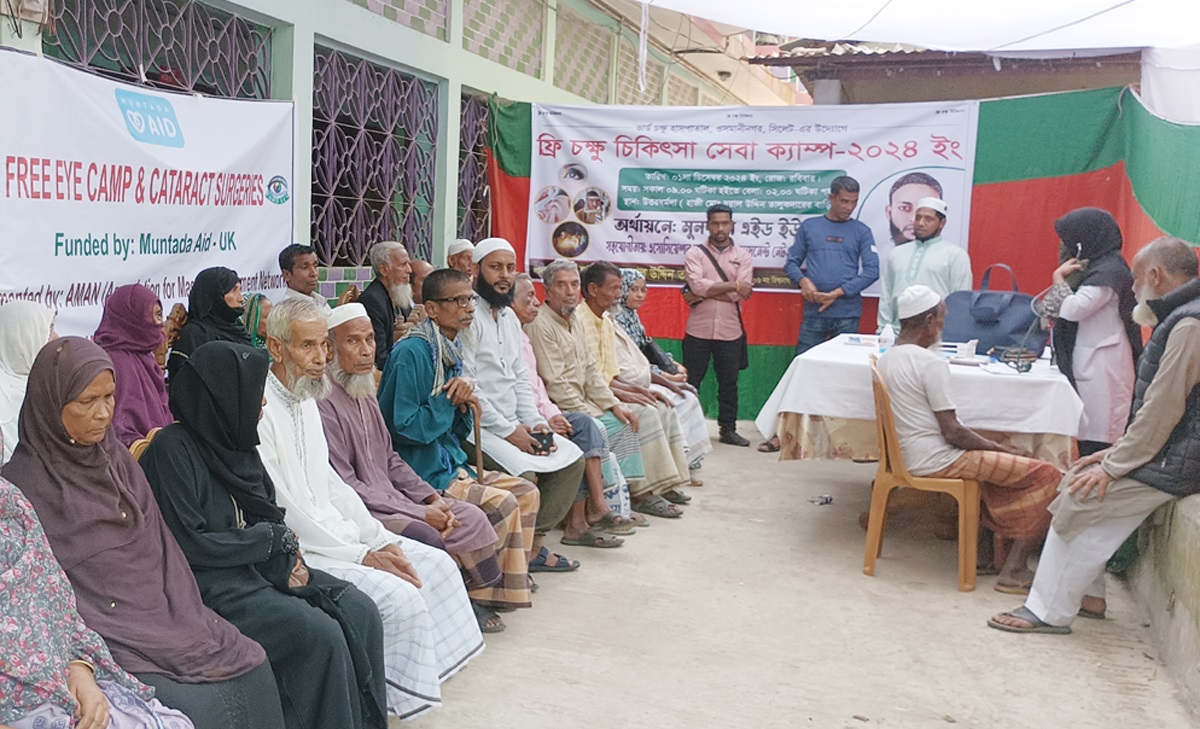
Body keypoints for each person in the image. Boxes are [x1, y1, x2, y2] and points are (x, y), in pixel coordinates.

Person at [2, 337, 284, 729]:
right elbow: (44, 593)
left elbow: (160, 548)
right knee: (200, 706)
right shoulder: (21, 489)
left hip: (164, 607)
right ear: (51, 404)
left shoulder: (116, 459)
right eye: (87, 402)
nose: (103, 414)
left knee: (252, 662)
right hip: (104, 626)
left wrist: (179, 612)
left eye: (110, 397)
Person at [141, 341, 388, 729]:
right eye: (254, 395)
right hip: (212, 586)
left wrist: (288, 558)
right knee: (317, 634)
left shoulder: (238, 443)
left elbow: (271, 514)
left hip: (257, 572)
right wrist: (269, 544)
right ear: (224, 396)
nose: (264, 405)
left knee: (361, 610)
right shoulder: (172, 450)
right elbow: (189, 542)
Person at [257, 297, 482, 719]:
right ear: (277, 348)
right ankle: (380, 705)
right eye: (309, 346)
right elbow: (286, 507)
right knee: (402, 596)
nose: (322, 358)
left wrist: (377, 536)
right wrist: (362, 553)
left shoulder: (306, 397)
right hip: (307, 545)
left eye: (324, 345)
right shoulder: (263, 409)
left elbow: (332, 485)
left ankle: (402, 696)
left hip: (340, 531)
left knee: (437, 566)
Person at [989, 237, 1200, 635]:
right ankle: (1085, 598)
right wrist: (1113, 456)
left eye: (1136, 281)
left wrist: (1114, 464)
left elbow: (1164, 408)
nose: (1134, 289)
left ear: (1156, 275)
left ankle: (1049, 611)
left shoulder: (1189, 323)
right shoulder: (1184, 316)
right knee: (1083, 488)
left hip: (1177, 461)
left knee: (1081, 494)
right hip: (1171, 454)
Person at [319, 303, 533, 633]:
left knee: (469, 516)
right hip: (362, 509)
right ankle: (458, 600)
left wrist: (430, 498)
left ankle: (468, 594)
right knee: (430, 531)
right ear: (330, 348)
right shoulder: (323, 402)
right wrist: (420, 513)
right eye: (353, 342)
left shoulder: (362, 389)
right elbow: (344, 483)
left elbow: (389, 458)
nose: (365, 351)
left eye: (370, 340)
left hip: (394, 496)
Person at [379, 269, 572, 571]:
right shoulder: (412, 352)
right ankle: (489, 586)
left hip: (450, 463)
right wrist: (448, 401)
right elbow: (403, 428)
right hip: (424, 472)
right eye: (457, 301)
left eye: (469, 299)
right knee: (505, 502)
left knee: (526, 492)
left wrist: (464, 405)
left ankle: (511, 574)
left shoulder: (450, 348)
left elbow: (456, 429)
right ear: (431, 309)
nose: (469, 307)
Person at [877, 286, 1062, 592]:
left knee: (1001, 456)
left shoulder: (889, 357)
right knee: (1048, 475)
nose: (943, 327)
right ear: (928, 320)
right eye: (941, 320)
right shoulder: (929, 364)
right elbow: (953, 432)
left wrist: (992, 446)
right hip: (939, 459)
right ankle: (1014, 569)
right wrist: (994, 447)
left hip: (913, 454)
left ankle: (986, 555)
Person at [0, 477, 194, 729]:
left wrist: (80, 669)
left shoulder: (13, 506)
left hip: (62, 687)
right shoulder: (35, 486)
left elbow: (57, 612)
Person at [527, 259, 687, 522]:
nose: (569, 291)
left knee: (623, 420)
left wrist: (613, 404)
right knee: (605, 427)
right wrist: (592, 410)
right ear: (547, 290)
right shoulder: (542, 324)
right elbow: (555, 382)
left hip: (585, 400)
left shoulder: (573, 318)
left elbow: (591, 371)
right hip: (561, 408)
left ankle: (622, 500)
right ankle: (601, 507)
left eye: (573, 284)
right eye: (561, 285)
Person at [464, 240, 595, 544]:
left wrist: (535, 422)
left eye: (510, 268)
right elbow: (471, 386)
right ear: (475, 270)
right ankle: (515, 552)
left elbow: (521, 378)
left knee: (572, 458)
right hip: (478, 428)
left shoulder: (510, 318)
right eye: (495, 267)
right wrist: (511, 432)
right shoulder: (467, 315)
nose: (504, 276)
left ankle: (533, 545)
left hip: (516, 424)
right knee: (521, 477)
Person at [513, 273, 641, 531]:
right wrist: (545, 419)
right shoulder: (535, 328)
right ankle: (584, 518)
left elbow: (540, 385)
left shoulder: (528, 334)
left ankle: (606, 507)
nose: (535, 304)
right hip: (521, 425)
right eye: (528, 299)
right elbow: (548, 383)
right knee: (583, 433)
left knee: (590, 425)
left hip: (547, 413)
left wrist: (612, 404)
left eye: (574, 284)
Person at [1037, 208, 1142, 456]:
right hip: (1090, 360)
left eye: (1069, 239)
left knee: (1099, 438)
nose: (1064, 246)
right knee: (1086, 434)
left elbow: (1073, 309)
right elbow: (1048, 310)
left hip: (1103, 366)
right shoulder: (1089, 268)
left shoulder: (1109, 272)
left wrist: (1058, 278)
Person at [614, 268, 712, 477]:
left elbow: (646, 350)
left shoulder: (632, 317)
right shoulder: (615, 319)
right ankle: (673, 463)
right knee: (672, 399)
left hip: (647, 373)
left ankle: (686, 459)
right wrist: (668, 378)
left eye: (643, 290)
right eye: (633, 289)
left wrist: (673, 365)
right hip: (631, 378)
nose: (640, 295)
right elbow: (628, 364)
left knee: (688, 394)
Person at [683, 203, 754, 446]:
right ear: (708, 225)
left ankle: (728, 430)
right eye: (715, 223)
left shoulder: (743, 256)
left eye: (725, 223)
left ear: (732, 225)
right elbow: (696, 286)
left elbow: (741, 294)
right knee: (691, 381)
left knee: (729, 382)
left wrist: (705, 290)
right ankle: (685, 430)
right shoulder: (695, 253)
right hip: (698, 329)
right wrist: (733, 285)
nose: (720, 228)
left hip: (730, 329)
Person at [785, 176, 880, 355]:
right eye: (844, 201)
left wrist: (837, 293)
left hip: (847, 314)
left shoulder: (862, 231)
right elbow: (791, 263)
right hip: (815, 312)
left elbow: (872, 271)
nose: (849, 207)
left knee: (844, 369)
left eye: (854, 202)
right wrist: (803, 281)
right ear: (831, 198)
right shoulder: (809, 227)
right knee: (806, 365)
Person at [877, 197, 972, 334]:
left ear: (941, 223)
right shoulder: (896, 253)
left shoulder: (956, 255)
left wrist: (952, 334)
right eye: (918, 218)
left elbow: (960, 302)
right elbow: (887, 295)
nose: (921, 223)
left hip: (936, 336)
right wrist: (883, 329)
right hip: (899, 334)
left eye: (928, 219)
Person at [93, 284, 173, 447]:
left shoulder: (143, 355)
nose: (159, 324)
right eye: (154, 316)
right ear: (131, 319)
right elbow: (120, 428)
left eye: (160, 315)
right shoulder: (116, 362)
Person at [168, 267, 250, 382]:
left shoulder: (237, 328)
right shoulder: (194, 336)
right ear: (215, 295)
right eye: (233, 291)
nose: (241, 298)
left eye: (240, 290)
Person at [0, 300, 55, 464]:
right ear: (23, 336)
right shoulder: (4, 399)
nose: (56, 337)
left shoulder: (47, 385)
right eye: (49, 329)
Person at [360, 241, 416, 371]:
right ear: (384, 269)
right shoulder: (372, 301)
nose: (409, 270)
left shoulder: (399, 292)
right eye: (403, 265)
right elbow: (378, 357)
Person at [883, 171, 943, 249]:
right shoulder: (894, 255)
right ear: (889, 213)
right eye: (904, 208)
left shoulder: (953, 255)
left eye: (926, 210)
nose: (914, 219)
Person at [278, 244, 331, 314]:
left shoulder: (320, 301)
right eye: (304, 267)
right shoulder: (290, 311)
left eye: (315, 266)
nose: (314, 273)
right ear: (287, 275)